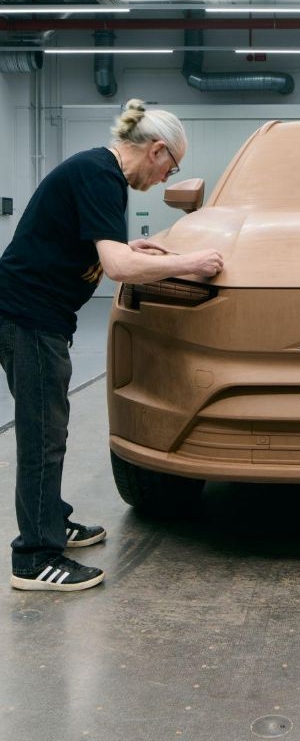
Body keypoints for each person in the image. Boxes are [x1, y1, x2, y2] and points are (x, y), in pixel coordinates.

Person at [0, 98, 224, 593]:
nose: (168, 178)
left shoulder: (100, 173)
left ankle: (51, 521)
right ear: (157, 150)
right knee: (42, 434)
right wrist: (190, 264)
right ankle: (34, 557)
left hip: (36, 315)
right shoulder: (100, 174)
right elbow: (119, 268)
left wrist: (132, 248)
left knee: (49, 427)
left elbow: (100, 249)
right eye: (173, 166)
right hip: (29, 317)